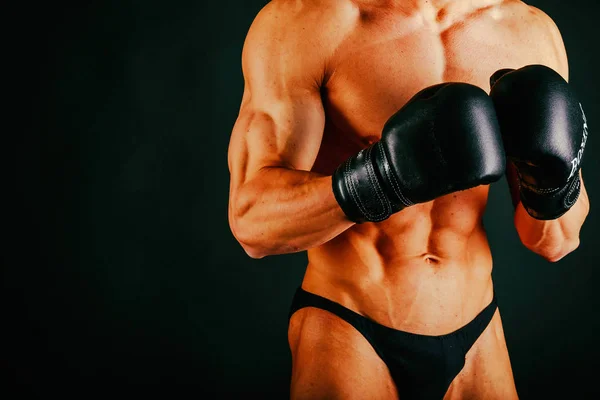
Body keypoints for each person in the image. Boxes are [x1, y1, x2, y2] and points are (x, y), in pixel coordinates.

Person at [227, 0, 590, 398]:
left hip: (478, 329)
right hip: (350, 328)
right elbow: (252, 222)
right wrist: (382, 178)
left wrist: (553, 183)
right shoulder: (306, 21)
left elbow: (556, 240)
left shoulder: (529, 32)